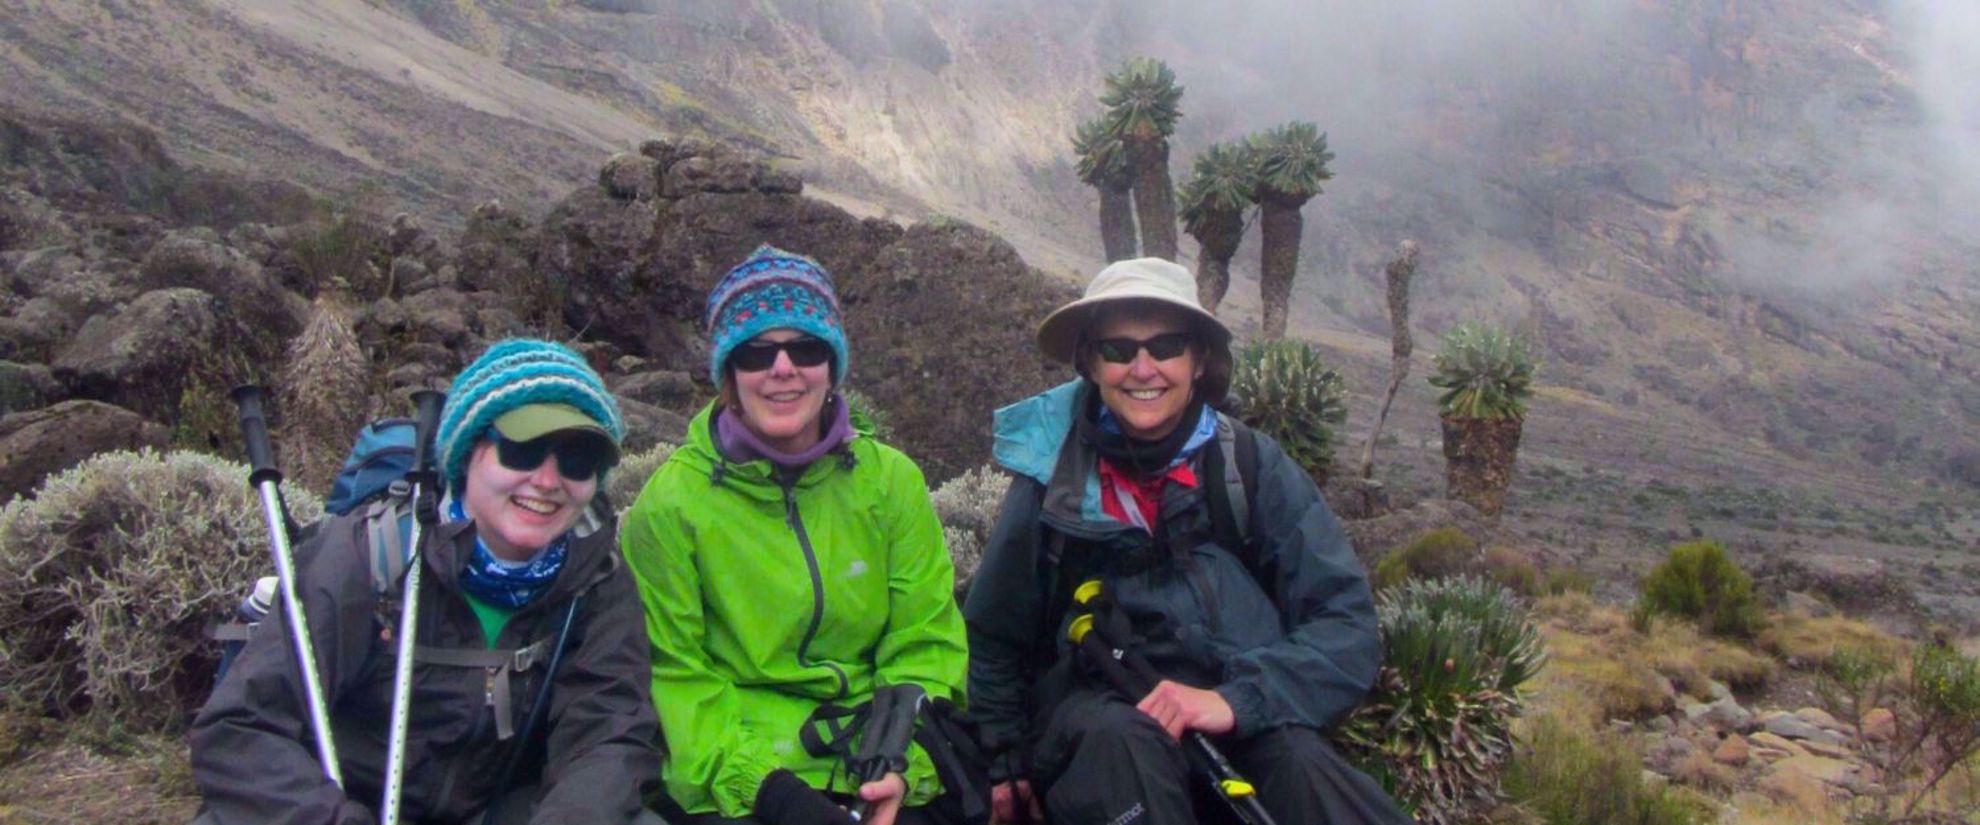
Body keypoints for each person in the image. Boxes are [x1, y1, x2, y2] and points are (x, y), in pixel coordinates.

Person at [963, 258, 1410, 825]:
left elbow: (1345, 625)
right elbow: (994, 631)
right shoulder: (1049, 480)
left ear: (1199, 360)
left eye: (1166, 346)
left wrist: (1236, 701)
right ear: (1090, 363)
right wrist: (1004, 759)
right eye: (1119, 349)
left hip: (1237, 706)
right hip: (1096, 721)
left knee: (1302, 769)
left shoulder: (1250, 467)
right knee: (1125, 745)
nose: (1143, 368)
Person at [190, 339, 666, 825]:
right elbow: (239, 727)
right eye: (522, 450)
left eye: (578, 460)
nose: (547, 481)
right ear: (466, 455)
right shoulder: (369, 556)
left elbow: (609, 737)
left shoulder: (597, 577)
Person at [622, 245, 969, 825]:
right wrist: (773, 794)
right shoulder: (670, 504)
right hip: (740, 788)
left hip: (880, 771)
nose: (782, 369)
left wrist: (898, 766)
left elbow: (924, 644)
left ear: (831, 365)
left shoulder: (892, 482)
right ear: (729, 373)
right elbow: (678, 679)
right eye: (757, 353)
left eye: (805, 348)